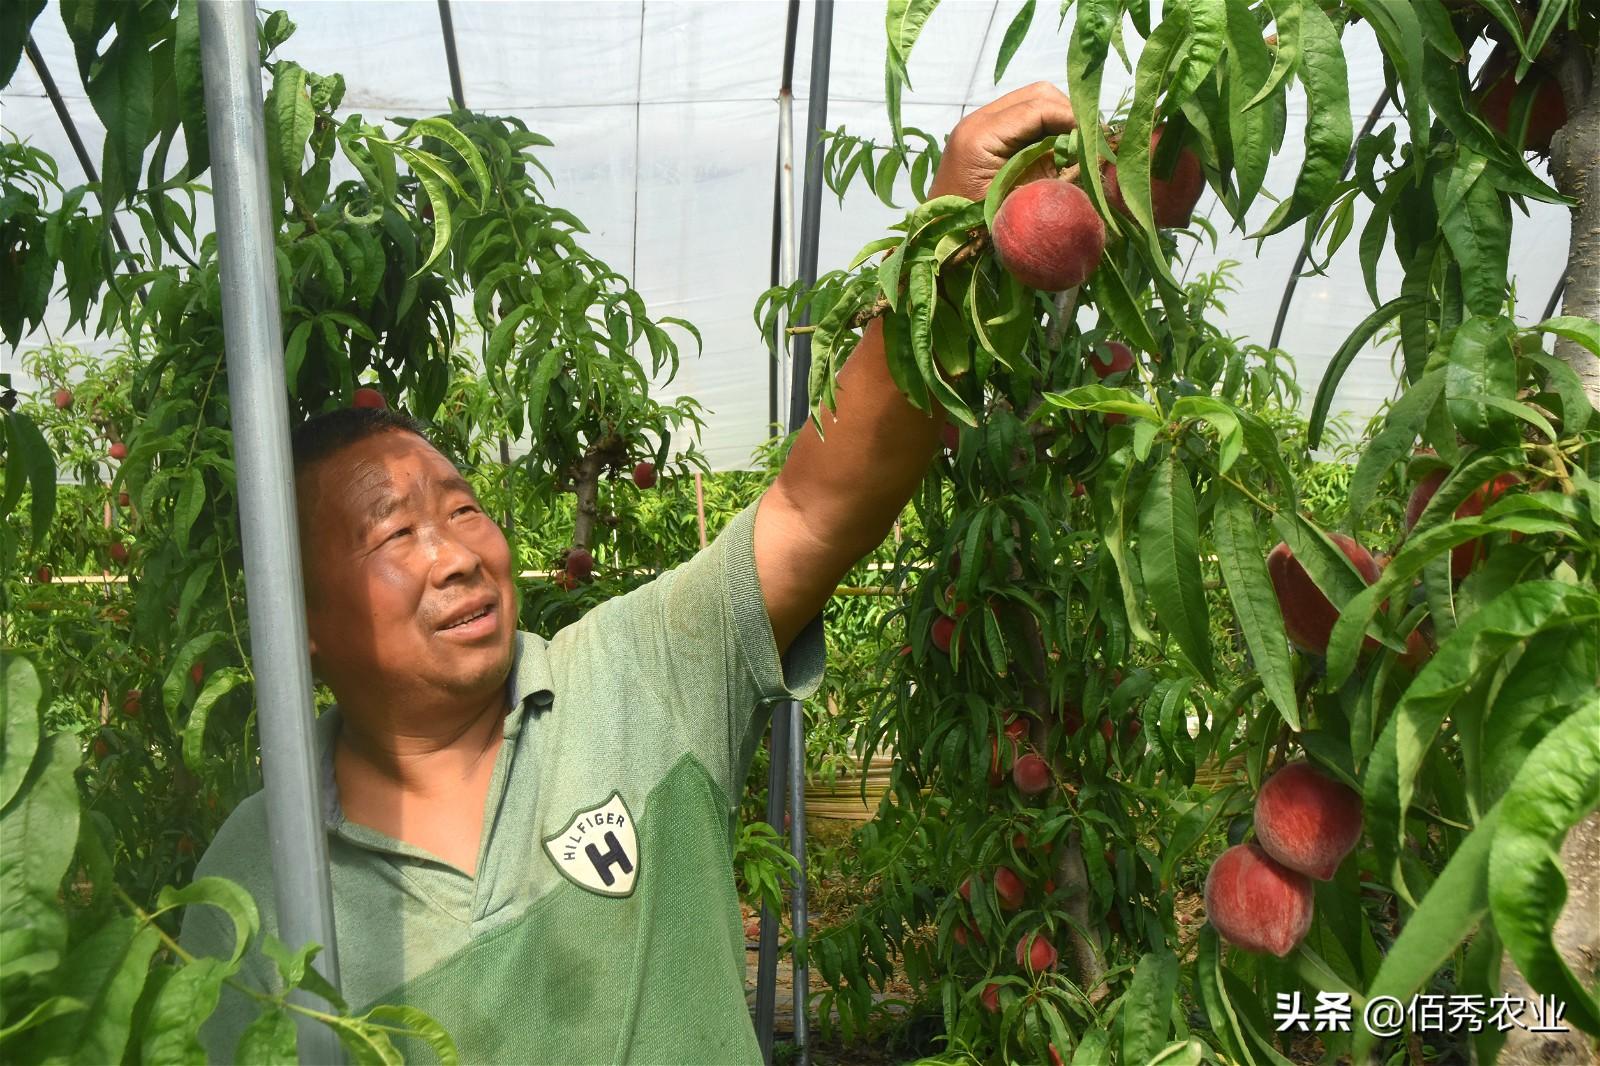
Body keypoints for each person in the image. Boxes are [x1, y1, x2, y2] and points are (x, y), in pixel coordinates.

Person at [180, 82, 1079, 1063]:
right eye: (394, 535)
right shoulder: (255, 874)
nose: (455, 554)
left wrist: (949, 236)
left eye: (463, 507)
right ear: (296, 617)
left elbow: (818, 503)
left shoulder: (632, 672)